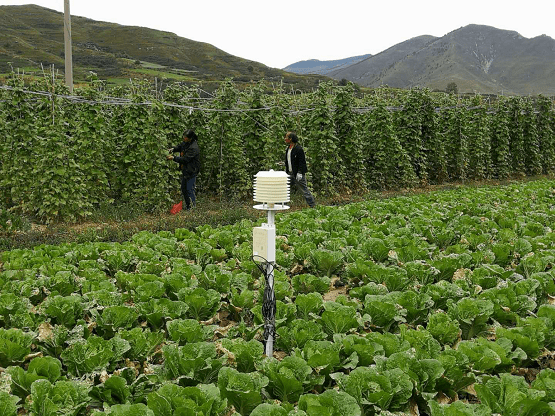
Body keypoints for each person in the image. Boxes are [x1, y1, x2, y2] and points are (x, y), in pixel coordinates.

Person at [167, 129, 200, 210]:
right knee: (184, 189)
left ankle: (192, 208)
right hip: (185, 170)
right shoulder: (186, 143)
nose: (183, 138)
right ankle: (189, 206)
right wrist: (173, 149)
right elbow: (180, 146)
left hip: (191, 171)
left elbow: (185, 159)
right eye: (184, 136)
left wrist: (173, 158)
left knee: (190, 189)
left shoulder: (193, 148)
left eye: (185, 137)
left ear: (190, 138)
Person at [284, 131, 316, 208]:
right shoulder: (288, 149)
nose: (285, 139)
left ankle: (312, 206)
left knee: (304, 190)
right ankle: (282, 205)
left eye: (286, 137)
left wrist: (300, 172)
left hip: (297, 174)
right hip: (290, 173)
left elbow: (302, 162)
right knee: (285, 189)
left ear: (291, 139)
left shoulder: (298, 149)